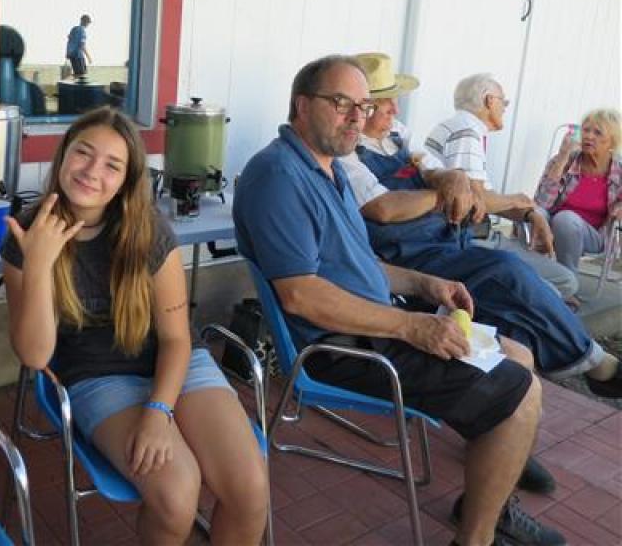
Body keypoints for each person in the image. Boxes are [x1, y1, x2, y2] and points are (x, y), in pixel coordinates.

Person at [233, 55, 564, 546]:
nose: (357, 117)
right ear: (301, 105)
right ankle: (477, 534)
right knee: (520, 390)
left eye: (364, 106)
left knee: (519, 356)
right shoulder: (279, 176)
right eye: (340, 103)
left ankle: (488, 497)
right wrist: (413, 326)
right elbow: (301, 295)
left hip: (375, 327)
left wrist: (425, 285)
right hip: (342, 348)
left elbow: (359, 266)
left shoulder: (329, 170)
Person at [1, 107, 268, 546]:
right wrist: (39, 264)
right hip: (96, 375)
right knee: (176, 496)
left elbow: (176, 338)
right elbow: (34, 356)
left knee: (250, 490)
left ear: (127, 179)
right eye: (83, 153)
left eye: (112, 165)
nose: (92, 171)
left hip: (175, 362)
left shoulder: (148, 230)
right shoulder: (27, 233)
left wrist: (159, 411)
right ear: (63, 155)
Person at [341, 56, 622, 399]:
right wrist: (446, 192)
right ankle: (595, 362)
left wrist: (452, 178)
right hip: (412, 257)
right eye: (385, 101)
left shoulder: (398, 132)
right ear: (363, 107)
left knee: (521, 315)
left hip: (448, 240)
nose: (395, 109)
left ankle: (512, 398)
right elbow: (385, 208)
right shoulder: (349, 152)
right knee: (509, 271)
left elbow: (438, 171)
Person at [423, 71, 578, 302]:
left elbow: (485, 197)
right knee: (557, 288)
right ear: (489, 101)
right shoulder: (465, 132)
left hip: (476, 234)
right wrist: (518, 200)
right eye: (503, 102)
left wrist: (530, 214)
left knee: (564, 283)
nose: (505, 108)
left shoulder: (465, 129)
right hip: (465, 240)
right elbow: (477, 202)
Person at [534, 108, 622, 272]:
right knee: (533, 213)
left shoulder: (619, 171)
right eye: (586, 130)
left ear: (612, 142)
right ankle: (529, 273)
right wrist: (562, 157)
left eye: (597, 133)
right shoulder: (565, 160)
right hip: (551, 222)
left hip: (593, 235)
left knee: (566, 219)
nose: (589, 136)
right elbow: (541, 202)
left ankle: (566, 280)